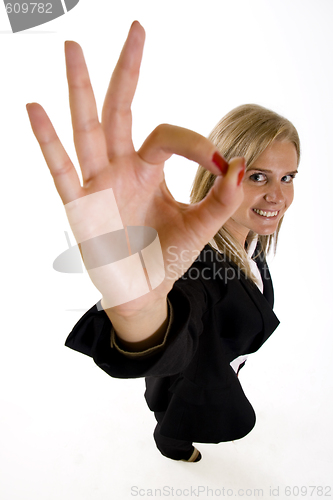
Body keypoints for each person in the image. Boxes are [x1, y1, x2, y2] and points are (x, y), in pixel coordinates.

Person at [26, 21, 300, 463]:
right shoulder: (195, 264)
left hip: (219, 363)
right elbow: (178, 324)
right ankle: (172, 443)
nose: (278, 195)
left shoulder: (251, 242)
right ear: (220, 174)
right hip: (187, 375)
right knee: (175, 408)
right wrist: (139, 314)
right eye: (257, 177)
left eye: (288, 177)